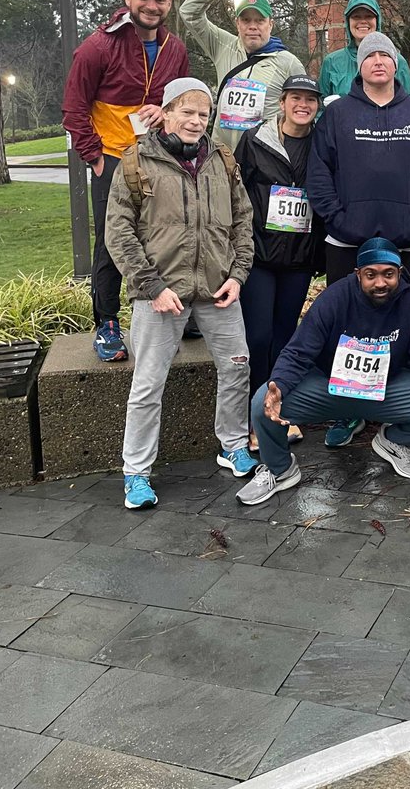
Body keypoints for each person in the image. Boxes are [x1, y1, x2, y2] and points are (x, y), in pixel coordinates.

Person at [105, 77, 259, 509]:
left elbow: (243, 222)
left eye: (203, 113)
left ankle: (232, 445)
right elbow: (118, 233)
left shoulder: (221, 161)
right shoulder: (136, 162)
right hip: (160, 293)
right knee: (148, 384)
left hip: (217, 290)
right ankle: (135, 472)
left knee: (236, 368)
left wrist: (238, 274)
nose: (196, 121)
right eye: (187, 111)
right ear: (167, 113)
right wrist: (152, 286)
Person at [237, 238, 410, 505]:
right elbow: (299, 351)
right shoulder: (334, 299)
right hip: (327, 387)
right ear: (358, 274)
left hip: (387, 389)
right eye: (371, 275)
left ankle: (393, 441)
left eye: (388, 274)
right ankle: (280, 469)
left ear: (399, 273)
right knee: (262, 404)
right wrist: (279, 384)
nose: (380, 283)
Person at [308, 31, 410, 448]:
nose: (378, 62)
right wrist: (338, 219)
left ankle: (391, 409)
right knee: (346, 331)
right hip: (346, 244)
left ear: (395, 64)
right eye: (370, 57)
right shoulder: (337, 114)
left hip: (399, 244)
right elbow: (319, 174)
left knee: (395, 328)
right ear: (361, 66)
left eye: (386, 55)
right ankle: (348, 412)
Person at [62, 0, 189, 361]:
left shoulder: (175, 49)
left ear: (169, 4)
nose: (152, 6)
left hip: (159, 156)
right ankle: (107, 324)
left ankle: (167, 310)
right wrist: (96, 157)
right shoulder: (98, 46)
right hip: (114, 159)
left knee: (163, 234)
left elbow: (182, 102)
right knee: (112, 241)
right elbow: (73, 108)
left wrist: (165, 110)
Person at [235, 75, 325, 448]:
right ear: (283, 102)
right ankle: (256, 415)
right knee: (258, 336)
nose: (302, 105)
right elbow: (235, 190)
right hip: (260, 253)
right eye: (295, 98)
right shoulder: (255, 141)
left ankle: (281, 408)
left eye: (310, 100)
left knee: (286, 337)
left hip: (298, 258)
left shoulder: (322, 143)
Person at [179, 0, 305, 153]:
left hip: (265, 158)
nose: (252, 26)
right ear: (237, 23)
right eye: (246, 20)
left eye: (259, 20)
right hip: (222, 155)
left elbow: (303, 108)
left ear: (270, 24)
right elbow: (189, 13)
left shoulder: (288, 62)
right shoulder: (223, 46)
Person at [318, 0, 410, 98]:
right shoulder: (332, 62)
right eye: (356, 17)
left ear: (377, 21)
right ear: (348, 22)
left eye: (369, 16)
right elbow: (319, 106)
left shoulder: (397, 61)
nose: (363, 21)